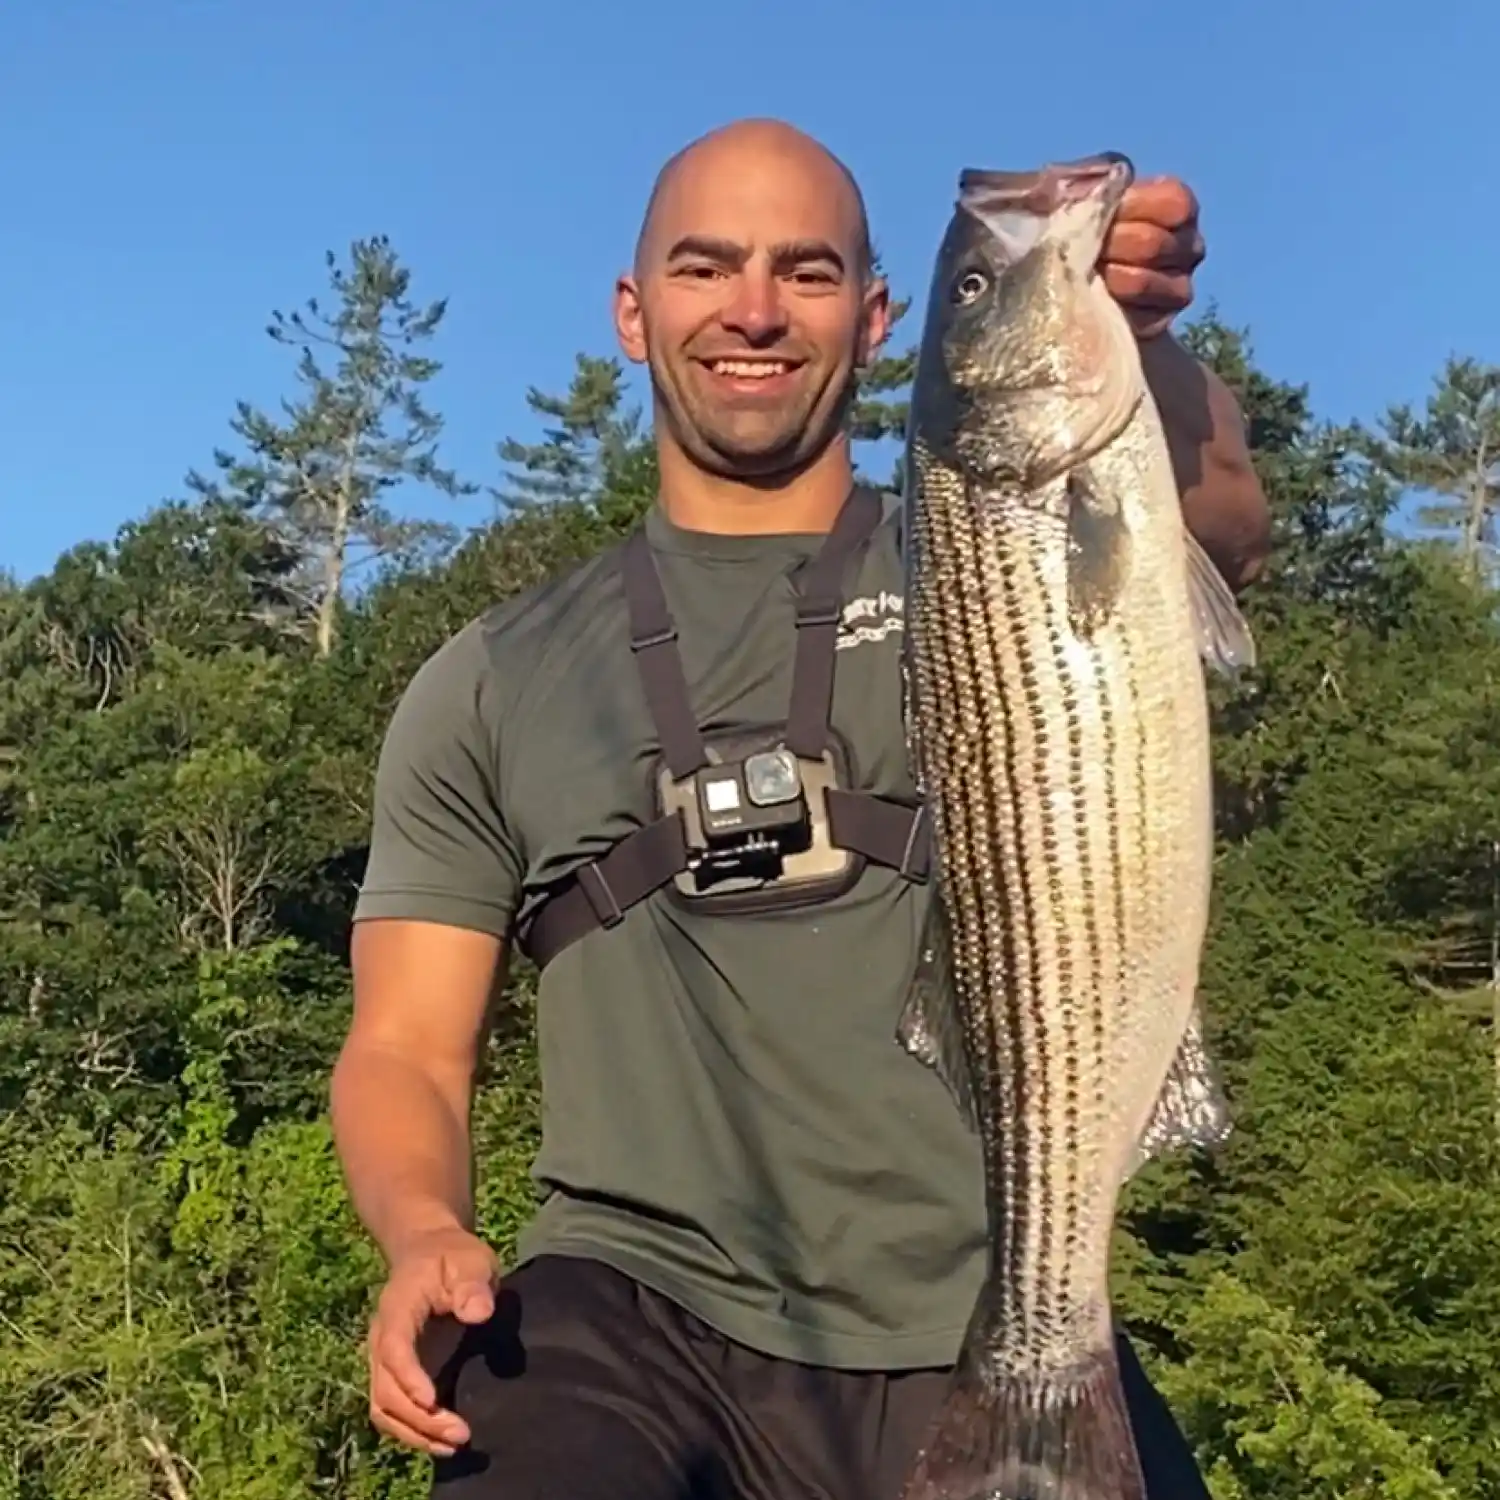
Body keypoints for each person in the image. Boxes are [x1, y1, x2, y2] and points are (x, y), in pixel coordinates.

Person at [330, 117, 1272, 1500]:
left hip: (985, 1300)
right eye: (707, 269)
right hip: (627, 1316)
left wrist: (1141, 329)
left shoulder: (982, 534)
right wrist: (422, 1230)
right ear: (633, 313)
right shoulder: (492, 679)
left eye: (809, 271)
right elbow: (407, 1048)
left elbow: (1223, 527)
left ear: (880, 317)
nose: (756, 310)